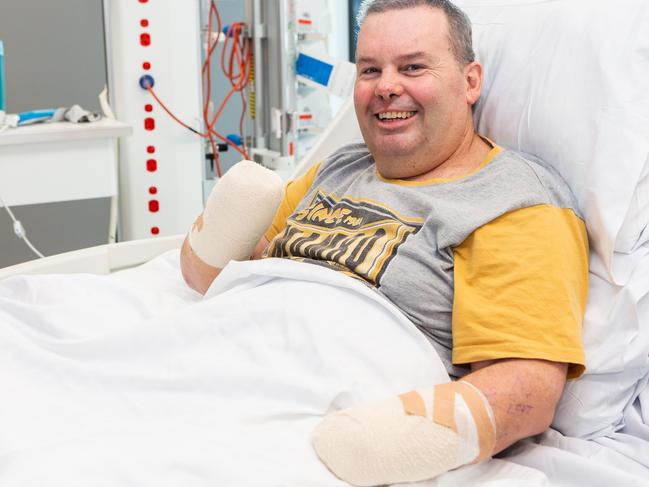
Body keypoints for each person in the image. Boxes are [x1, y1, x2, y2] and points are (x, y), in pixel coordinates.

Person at [180, 0, 589, 485]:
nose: (386, 86)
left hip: (315, 400)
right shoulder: (339, 167)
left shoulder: (510, 202)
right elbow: (248, 269)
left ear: (470, 81)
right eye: (370, 69)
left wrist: (384, 441)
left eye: (413, 67)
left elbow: (525, 393)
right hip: (217, 353)